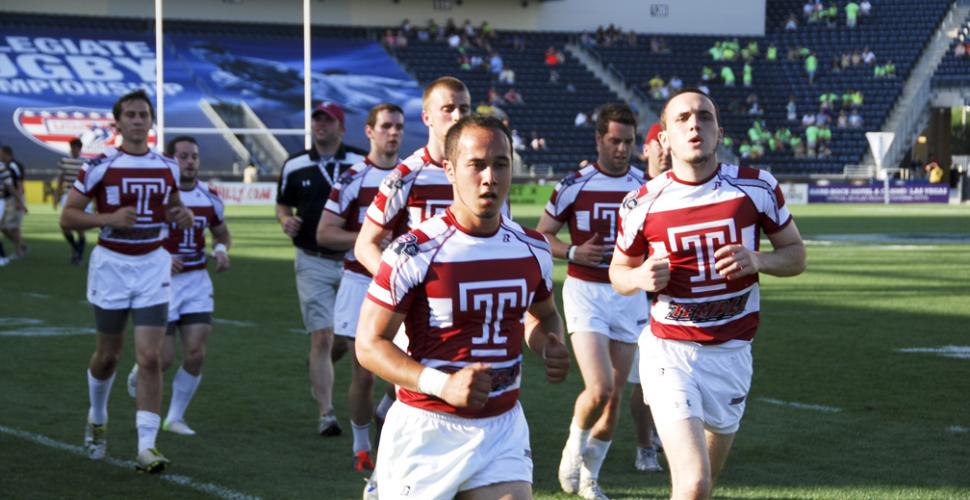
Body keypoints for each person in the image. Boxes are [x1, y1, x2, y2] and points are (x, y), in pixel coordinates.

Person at [356, 114, 570, 500]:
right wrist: (444, 385)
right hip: (425, 432)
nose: (490, 177)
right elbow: (369, 344)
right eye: (477, 165)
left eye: (500, 164)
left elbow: (543, 315)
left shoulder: (534, 248)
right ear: (450, 171)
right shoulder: (412, 250)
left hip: (501, 427)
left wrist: (547, 343)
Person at [610, 88, 806, 500]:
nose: (694, 124)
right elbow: (618, 274)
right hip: (669, 353)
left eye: (704, 116)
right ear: (664, 139)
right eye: (681, 118)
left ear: (719, 132)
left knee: (701, 485)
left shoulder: (757, 188)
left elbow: (795, 255)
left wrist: (758, 261)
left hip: (732, 354)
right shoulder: (641, 203)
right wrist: (641, 276)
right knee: (695, 481)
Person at [59, 89, 195, 473]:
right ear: (117, 123)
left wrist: (179, 214)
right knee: (108, 356)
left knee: (151, 357)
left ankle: (147, 446)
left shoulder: (168, 166)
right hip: (111, 266)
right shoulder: (100, 166)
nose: (137, 120)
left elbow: (169, 207)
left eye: (143, 114)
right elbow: (68, 217)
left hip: (153, 263)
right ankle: (97, 416)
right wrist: (108, 219)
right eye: (130, 115)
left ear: (152, 122)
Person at [538, 103, 650, 498]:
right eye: (614, 140)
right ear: (599, 139)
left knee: (615, 395)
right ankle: (573, 447)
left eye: (628, 142)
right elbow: (542, 235)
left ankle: (590, 478)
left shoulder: (646, 186)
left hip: (630, 294)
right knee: (599, 387)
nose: (621, 149)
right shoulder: (574, 184)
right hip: (586, 292)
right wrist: (571, 252)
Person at [354, 77, 473, 448]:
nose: (458, 115)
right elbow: (365, 245)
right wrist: (405, 290)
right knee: (425, 395)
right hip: (419, 309)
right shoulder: (404, 177)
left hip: (468, 301)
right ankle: (383, 479)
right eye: (448, 109)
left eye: (464, 109)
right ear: (427, 118)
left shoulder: (480, 171)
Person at [316, 103, 405, 472]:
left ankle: (385, 411)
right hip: (359, 282)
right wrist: (366, 239)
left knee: (407, 367)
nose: (393, 133)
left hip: (403, 285)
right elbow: (324, 232)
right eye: (385, 126)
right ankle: (362, 446)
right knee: (363, 371)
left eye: (399, 126)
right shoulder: (353, 178)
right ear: (369, 132)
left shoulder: (411, 176)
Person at [125, 135, 230, 438]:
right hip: (161, 283)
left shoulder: (210, 197)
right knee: (164, 358)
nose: (189, 162)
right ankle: (141, 379)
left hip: (197, 281)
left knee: (196, 354)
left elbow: (221, 234)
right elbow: (135, 233)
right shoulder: (157, 196)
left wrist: (221, 251)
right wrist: (161, 256)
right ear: (171, 160)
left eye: (194, 157)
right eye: (183, 156)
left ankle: (175, 417)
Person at [276, 101, 366, 437]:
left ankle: (319, 365)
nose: (321, 125)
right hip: (311, 259)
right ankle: (326, 413)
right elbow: (282, 201)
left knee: (345, 339)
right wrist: (286, 220)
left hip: (352, 261)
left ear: (342, 128)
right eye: (317, 120)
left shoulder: (359, 163)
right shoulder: (295, 163)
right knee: (323, 336)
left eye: (328, 121)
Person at [57, 138, 88, 264]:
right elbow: (60, 179)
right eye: (72, 147)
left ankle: (77, 255)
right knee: (64, 225)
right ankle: (76, 249)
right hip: (67, 195)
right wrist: (56, 196)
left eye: (76, 148)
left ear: (80, 149)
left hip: (81, 196)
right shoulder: (64, 161)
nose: (74, 150)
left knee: (79, 227)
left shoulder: (86, 163)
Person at [0, 145, 27, 259]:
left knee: (13, 227)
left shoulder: (15, 165)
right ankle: (20, 246)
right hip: (7, 198)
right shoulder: (4, 165)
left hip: (13, 198)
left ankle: (18, 251)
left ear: (6, 153)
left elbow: (20, 184)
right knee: (4, 227)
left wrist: (19, 201)